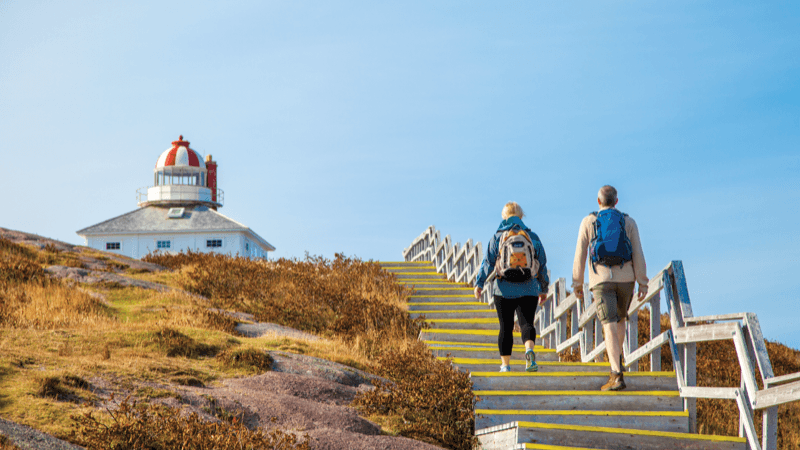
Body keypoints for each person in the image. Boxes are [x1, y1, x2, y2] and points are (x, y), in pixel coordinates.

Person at [572, 185, 648, 391]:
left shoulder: (589, 221)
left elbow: (580, 253)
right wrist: (643, 281)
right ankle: (617, 364)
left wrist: (577, 283)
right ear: (616, 201)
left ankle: (616, 373)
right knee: (620, 320)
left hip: (601, 278)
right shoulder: (628, 222)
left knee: (608, 324)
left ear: (598, 202)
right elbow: (638, 253)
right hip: (626, 278)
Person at [474, 202, 549, 373]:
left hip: (503, 289)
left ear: (504, 216)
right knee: (527, 323)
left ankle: (505, 366)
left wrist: (479, 284)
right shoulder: (532, 236)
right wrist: (543, 288)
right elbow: (542, 264)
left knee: (505, 327)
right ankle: (529, 351)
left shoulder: (497, 237)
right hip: (529, 287)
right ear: (521, 216)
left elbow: (488, 263)